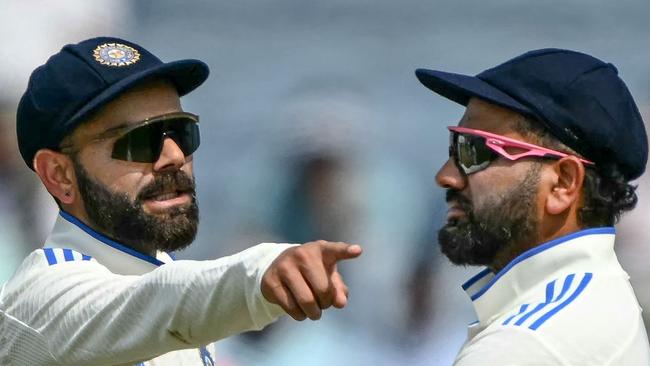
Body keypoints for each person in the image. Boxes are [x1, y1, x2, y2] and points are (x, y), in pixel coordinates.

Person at [0, 37, 362, 366]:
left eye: (181, 132)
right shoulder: (40, 301)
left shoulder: (165, 279)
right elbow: (159, 303)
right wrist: (261, 272)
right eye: (139, 141)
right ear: (60, 174)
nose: (174, 156)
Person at [415, 48, 650, 364]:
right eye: (453, 147)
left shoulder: (522, 345)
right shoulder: (598, 297)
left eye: (473, 151)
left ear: (563, 183)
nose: (446, 176)